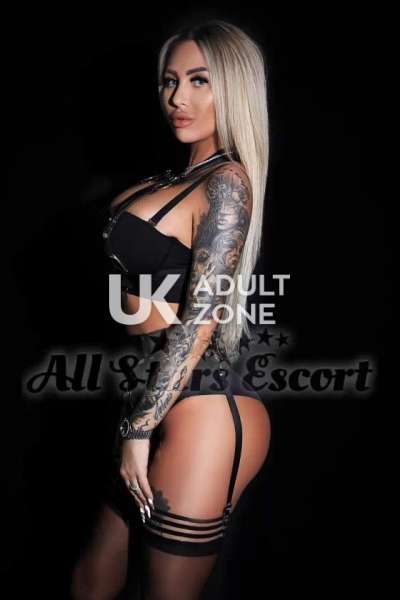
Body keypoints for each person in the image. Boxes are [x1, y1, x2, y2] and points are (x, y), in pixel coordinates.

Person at [71, 19, 272, 600]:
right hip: (151, 395)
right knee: (91, 578)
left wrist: (139, 427)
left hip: (203, 408)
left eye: (200, 80)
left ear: (233, 87)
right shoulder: (176, 178)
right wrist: (137, 418)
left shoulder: (227, 182)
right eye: (170, 81)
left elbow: (201, 320)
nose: (177, 97)